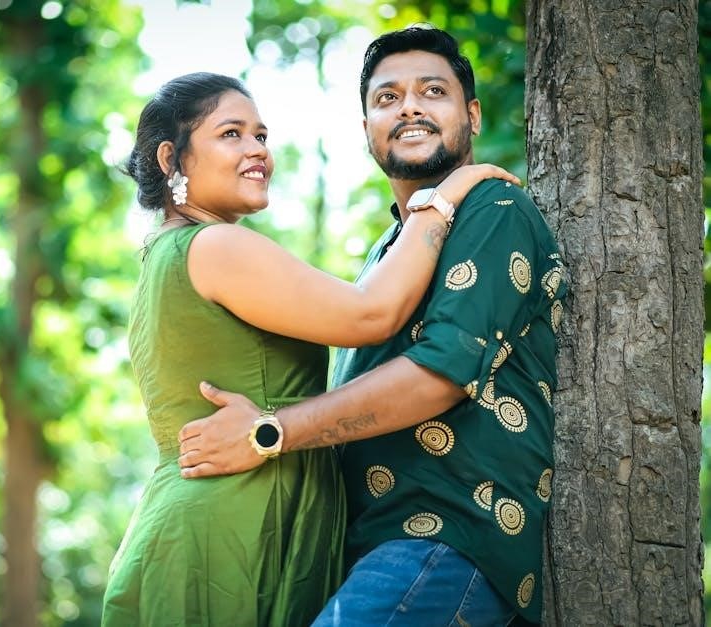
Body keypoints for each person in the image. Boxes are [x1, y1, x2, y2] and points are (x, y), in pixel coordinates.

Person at [177, 27, 567, 626]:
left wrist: (267, 432)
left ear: (472, 116)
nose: (409, 107)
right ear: (367, 130)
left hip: (448, 539)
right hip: (375, 549)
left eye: (432, 91)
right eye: (388, 98)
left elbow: (440, 374)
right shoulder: (390, 250)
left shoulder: (493, 209)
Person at [101, 70, 518, 627]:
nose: (257, 150)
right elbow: (372, 313)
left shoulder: (166, 255)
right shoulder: (215, 246)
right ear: (171, 159)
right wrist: (442, 199)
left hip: (229, 514)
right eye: (231, 134)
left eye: (261, 135)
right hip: (227, 527)